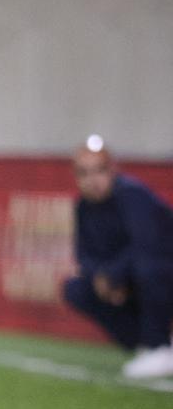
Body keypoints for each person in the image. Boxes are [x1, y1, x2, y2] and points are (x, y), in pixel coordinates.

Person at [63, 138, 173, 379]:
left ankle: (159, 346)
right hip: (127, 280)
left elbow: (149, 245)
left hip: (159, 272)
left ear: (113, 169)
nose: (93, 180)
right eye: (84, 173)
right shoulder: (83, 207)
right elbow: (84, 255)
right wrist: (101, 278)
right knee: (76, 288)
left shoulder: (132, 196)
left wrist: (113, 275)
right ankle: (146, 344)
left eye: (99, 171)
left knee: (148, 267)